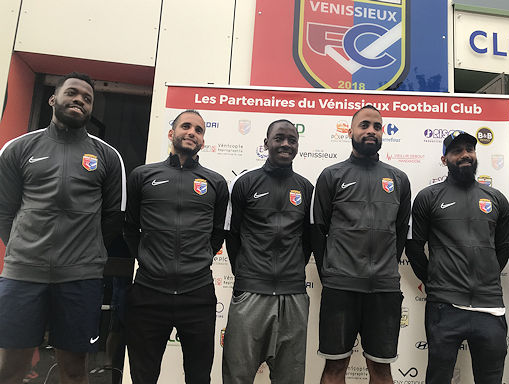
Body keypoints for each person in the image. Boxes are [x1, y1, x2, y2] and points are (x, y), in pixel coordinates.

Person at [0, 72, 126, 384]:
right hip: (23, 275)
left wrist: (87, 252)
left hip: (79, 277)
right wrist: (23, 248)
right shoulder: (19, 149)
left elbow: (113, 217)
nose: (79, 101)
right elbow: (4, 211)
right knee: (11, 368)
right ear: (53, 99)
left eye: (87, 99)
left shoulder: (107, 156)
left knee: (74, 370)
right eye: (72, 93)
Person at [124, 109, 228, 384]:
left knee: (198, 376)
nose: (192, 132)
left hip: (197, 294)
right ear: (172, 133)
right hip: (149, 293)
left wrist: (201, 257)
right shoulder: (142, 175)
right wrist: (148, 261)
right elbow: (129, 228)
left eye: (199, 130)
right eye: (186, 126)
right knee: (143, 376)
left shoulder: (216, 182)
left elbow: (217, 233)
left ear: (203, 141)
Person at [312, 105, 411, 384]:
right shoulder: (331, 175)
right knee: (334, 368)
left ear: (383, 133)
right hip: (341, 287)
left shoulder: (398, 179)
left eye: (376, 127)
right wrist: (330, 274)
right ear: (350, 131)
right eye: (364, 125)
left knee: (381, 370)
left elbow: (400, 231)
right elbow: (319, 231)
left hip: (383, 288)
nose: (370, 131)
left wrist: (386, 267)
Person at [407, 130, 509, 384]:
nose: (465, 155)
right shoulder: (428, 197)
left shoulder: (496, 199)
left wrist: (485, 275)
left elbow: (503, 248)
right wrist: (436, 278)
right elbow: (413, 248)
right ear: (445, 160)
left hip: (490, 307)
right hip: (444, 305)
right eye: (456, 151)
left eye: (469, 149)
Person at [222, 119, 313, 383]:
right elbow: (233, 235)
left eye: (292, 140)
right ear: (266, 143)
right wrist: (244, 275)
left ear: (297, 146)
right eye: (279, 138)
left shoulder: (306, 188)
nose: (286, 144)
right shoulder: (245, 183)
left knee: (290, 378)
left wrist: (292, 270)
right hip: (251, 292)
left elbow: (308, 240)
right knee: (237, 375)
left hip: (293, 295)